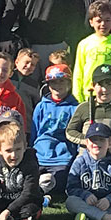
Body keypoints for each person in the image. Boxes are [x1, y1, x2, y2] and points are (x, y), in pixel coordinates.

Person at [66, 64, 111, 181]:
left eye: (109, 84)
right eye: (100, 85)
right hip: (88, 160)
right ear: (93, 86)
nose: (105, 89)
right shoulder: (84, 108)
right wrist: (87, 140)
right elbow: (69, 131)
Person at [29, 64, 79, 199]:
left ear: (69, 82)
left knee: (60, 181)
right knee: (28, 178)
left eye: (61, 81)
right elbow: (34, 133)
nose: (57, 86)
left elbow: (78, 135)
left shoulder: (75, 108)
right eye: (53, 82)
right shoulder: (41, 106)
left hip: (62, 158)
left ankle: (43, 193)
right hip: (40, 156)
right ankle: (41, 192)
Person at [73, 0, 111, 103]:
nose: (103, 24)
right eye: (98, 21)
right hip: (88, 95)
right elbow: (78, 72)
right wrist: (77, 96)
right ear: (91, 22)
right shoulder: (84, 44)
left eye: (107, 20)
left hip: (110, 96)